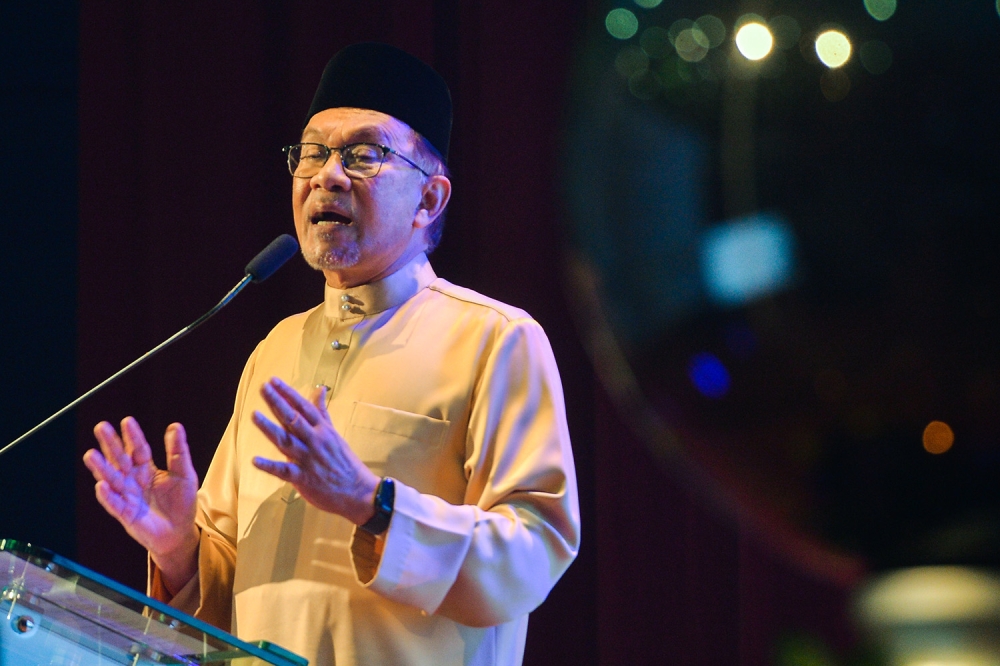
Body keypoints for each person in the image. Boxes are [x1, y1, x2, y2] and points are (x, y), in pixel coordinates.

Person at [82, 42, 580, 666]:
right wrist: (179, 546)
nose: (327, 175)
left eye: (363, 154)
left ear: (430, 200)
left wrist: (372, 504)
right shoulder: (277, 348)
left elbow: (533, 553)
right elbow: (231, 579)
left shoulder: (497, 339)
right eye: (312, 152)